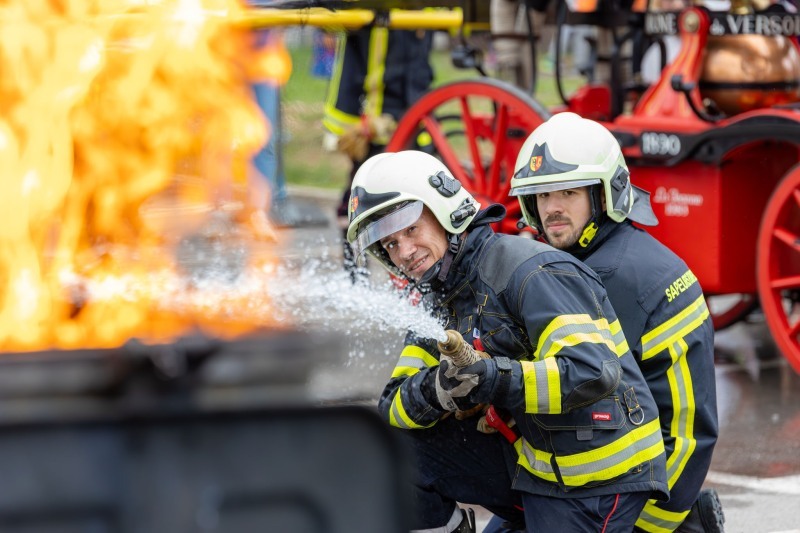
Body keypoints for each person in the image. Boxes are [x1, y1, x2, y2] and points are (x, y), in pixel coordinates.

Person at [345, 150, 669, 532]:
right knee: (392, 449)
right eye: (390, 244)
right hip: (537, 466)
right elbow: (393, 406)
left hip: (597, 479)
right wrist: (438, 389)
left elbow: (591, 374)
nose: (404, 252)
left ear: (446, 210)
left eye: (410, 230)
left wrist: (493, 378)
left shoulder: (530, 272)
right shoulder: (440, 298)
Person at [506, 112, 722, 533]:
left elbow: (553, 381)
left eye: (567, 192)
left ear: (604, 195)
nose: (552, 209)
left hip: (645, 495)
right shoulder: (625, 253)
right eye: (542, 195)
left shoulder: (601, 279)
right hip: (664, 474)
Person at [324, 26, 434, 277]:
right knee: (359, 195)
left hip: (413, 112)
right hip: (375, 119)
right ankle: (354, 271)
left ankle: (391, 272)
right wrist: (358, 123)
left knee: (402, 196)